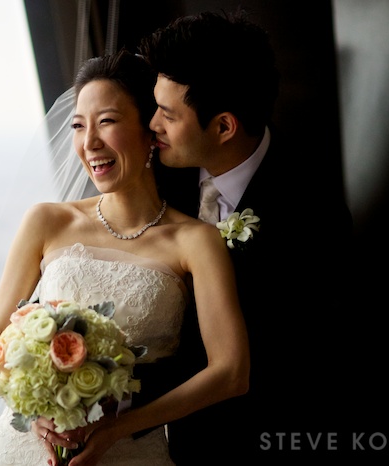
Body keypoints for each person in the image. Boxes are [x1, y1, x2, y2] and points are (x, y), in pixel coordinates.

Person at [0, 49, 250, 466]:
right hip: (26, 445)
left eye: (107, 122)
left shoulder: (196, 242)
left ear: (150, 131)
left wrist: (117, 429)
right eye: (79, 126)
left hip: (131, 449)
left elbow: (230, 373)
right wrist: (37, 408)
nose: (89, 143)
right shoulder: (46, 221)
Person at [138, 11, 354, 463]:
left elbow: (308, 364)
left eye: (168, 114)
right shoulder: (151, 174)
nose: (151, 124)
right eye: (154, 104)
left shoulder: (313, 213)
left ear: (223, 127)